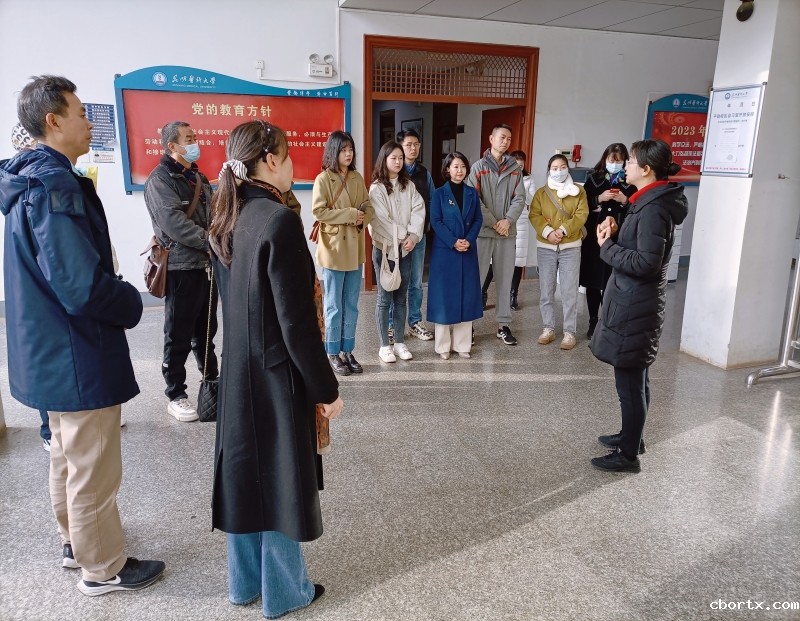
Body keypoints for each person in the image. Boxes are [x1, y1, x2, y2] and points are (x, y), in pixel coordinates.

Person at [0, 75, 164, 595]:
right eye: (80, 113)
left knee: (66, 453)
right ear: (53, 121)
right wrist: (131, 301)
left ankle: (75, 542)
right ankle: (103, 567)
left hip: (46, 346)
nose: (90, 122)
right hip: (75, 349)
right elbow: (80, 287)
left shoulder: (27, 180)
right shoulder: (55, 187)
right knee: (92, 463)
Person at [208, 120, 343, 618]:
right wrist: (326, 389)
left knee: (245, 476)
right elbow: (297, 325)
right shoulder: (278, 220)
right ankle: (286, 593)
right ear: (269, 160)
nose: (291, 166)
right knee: (281, 479)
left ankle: (244, 584)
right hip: (275, 374)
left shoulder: (226, 214)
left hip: (238, 372)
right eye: (287, 157)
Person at [590, 139, 687, 473]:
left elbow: (646, 263)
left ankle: (628, 455)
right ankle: (632, 436)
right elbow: (642, 246)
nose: (626, 166)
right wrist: (618, 231)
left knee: (630, 384)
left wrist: (606, 247)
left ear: (646, 170)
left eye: (630, 161)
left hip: (636, 306)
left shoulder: (654, 209)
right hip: (634, 301)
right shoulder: (647, 201)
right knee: (636, 379)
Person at [144, 121, 218, 423]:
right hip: (180, 266)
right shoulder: (160, 180)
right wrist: (210, 241)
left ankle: (212, 383)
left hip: (206, 266)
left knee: (206, 331)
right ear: (172, 146)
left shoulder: (198, 177)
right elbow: (173, 222)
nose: (195, 142)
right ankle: (175, 394)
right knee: (178, 333)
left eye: (195, 136)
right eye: (188, 139)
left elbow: (213, 214)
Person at [311, 131, 373, 376]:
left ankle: (348, 350)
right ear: (333, 151)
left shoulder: (357, 177)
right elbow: (319, 211)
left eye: (351, 149)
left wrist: (362, 218)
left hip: (355, 249)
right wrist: (350, 214)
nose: (348, 154)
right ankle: (332, 351)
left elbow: (369, 206)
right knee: (333, 305)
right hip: (334, 249)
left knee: (351, 304)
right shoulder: (323, 179)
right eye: (343, 149)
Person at [466, 124, 526, 346]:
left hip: (506, 233)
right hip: (483, 232)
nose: (505, 141)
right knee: (476, 280)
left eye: (509, 138)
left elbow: (520, 198)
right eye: (502, 137)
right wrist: (494, 222)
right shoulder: (478, 167)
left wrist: (507, 221)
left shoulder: (515, 169)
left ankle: (503, 325)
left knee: (504, 279)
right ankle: (469, 325)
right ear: (491, 139)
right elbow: (474, 199)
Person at [368, 141, 425, 363]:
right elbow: (380, 219)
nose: (398, 161)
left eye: (400, 158)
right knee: (384, 299)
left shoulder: (408, 185)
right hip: (384, 250)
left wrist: (413, 236)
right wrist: (404, 236)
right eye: (393, 158)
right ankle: (384, 346)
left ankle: (400, 342)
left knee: (401, 298)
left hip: (406, 250)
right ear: (384, 160)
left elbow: (418, 210)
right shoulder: (377, 188)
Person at [426, 152, 483, 359]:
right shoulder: (439, 194)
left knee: (466, 297)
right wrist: (453, 241)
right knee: (444, 298)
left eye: (463, 166)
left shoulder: (472, 193)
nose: (460, 170)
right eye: (455, 166)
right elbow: (436, 221)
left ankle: (462, 345)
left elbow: (478, 219)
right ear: (447, 169)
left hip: (467, 250)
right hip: (445, 252)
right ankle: (443, 346)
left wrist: (469, 239)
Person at [530, 154, 589, 351]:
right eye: (554, 168)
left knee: (569, 291)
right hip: (546, 247)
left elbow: (582, 214)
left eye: (562, 167)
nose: (559, 171)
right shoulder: (541, 193)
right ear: (549, 170)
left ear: (568, 168)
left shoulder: (578, 191)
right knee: (546, 291)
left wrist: (563, 230)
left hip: (570, 246)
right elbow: (534, 215)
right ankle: (548, 328)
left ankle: (569, 332)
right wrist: (548, 232)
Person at [580, 143, 636, 338]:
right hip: (594, 237)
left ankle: (608, 321)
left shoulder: (630, 180)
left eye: (619, 161)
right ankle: (593, 320)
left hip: (619, 238)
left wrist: (624, 200)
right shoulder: (594, 179)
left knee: (613, 280)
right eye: (612, 160)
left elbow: (638, 207)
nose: (615, 164)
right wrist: (598, 198)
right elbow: (581, 205)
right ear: (605, 159)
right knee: (593, 279)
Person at [391, 128, 435, 343]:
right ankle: (392, 324)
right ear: (399, 146)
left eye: (416, 144)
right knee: (395, 280)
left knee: (416, 282)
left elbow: (431, 201)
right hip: (396, 238)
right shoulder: (393, 172)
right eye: (408, 144)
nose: (413, 148)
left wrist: (426, 227)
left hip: (418, 236)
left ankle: (415, 322)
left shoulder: (424, 173)